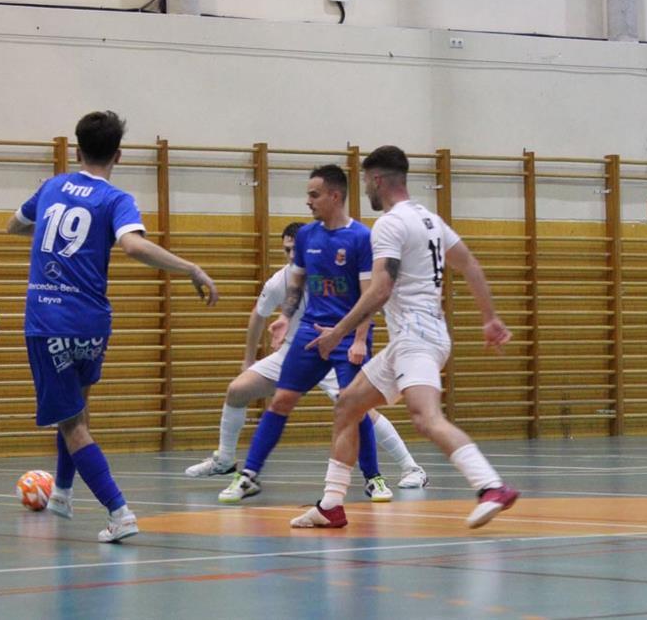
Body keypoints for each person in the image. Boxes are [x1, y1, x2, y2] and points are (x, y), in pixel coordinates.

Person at [6, 110, 218, 543]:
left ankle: (119, 512)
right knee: (77, 411)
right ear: (118, 155)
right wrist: (191, 268)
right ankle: (63, 493)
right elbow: (133, 243)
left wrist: (47, 236)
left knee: (72, 424)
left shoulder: (51, 187)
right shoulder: (116, 199)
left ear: (76, 150)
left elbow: (14, 226)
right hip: (93, 322)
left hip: (49, 321)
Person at [291, 145, 519, 530]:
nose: (366, 189)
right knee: (347, 405)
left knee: (426, 418)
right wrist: (489, 318)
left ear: (377, 179)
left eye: (367, 182)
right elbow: (469, 264)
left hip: (417, 337)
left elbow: (380, 289)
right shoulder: (430, 220)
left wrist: (339, 333)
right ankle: (331, 505)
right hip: (415, 337)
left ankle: (491, 486)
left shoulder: (390, 224)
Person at [185, 221, 427, 489]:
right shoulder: (281, 280)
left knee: (361, 411)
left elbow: (367, 306)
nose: (291, 255)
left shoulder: (336, 274)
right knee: (237, 390)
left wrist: (358, 341)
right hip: (294, 352)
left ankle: (411, 468)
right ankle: (225, 460)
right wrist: (248, 359)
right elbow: (258, 315)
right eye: (286, 250)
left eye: (295, 249)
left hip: (334, 350)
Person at [218, 165, 392, 504]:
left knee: (353, 407)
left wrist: (359, 340)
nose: (308, 201)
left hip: (346, 335)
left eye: (314, 195)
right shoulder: (306, 237)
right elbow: (296, 284)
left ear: (335, 196)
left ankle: (373, 478)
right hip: (310, 333)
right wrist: (285, 318)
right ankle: (249, 475)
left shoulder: (360, 238)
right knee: (281, 400)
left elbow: (369, 296)